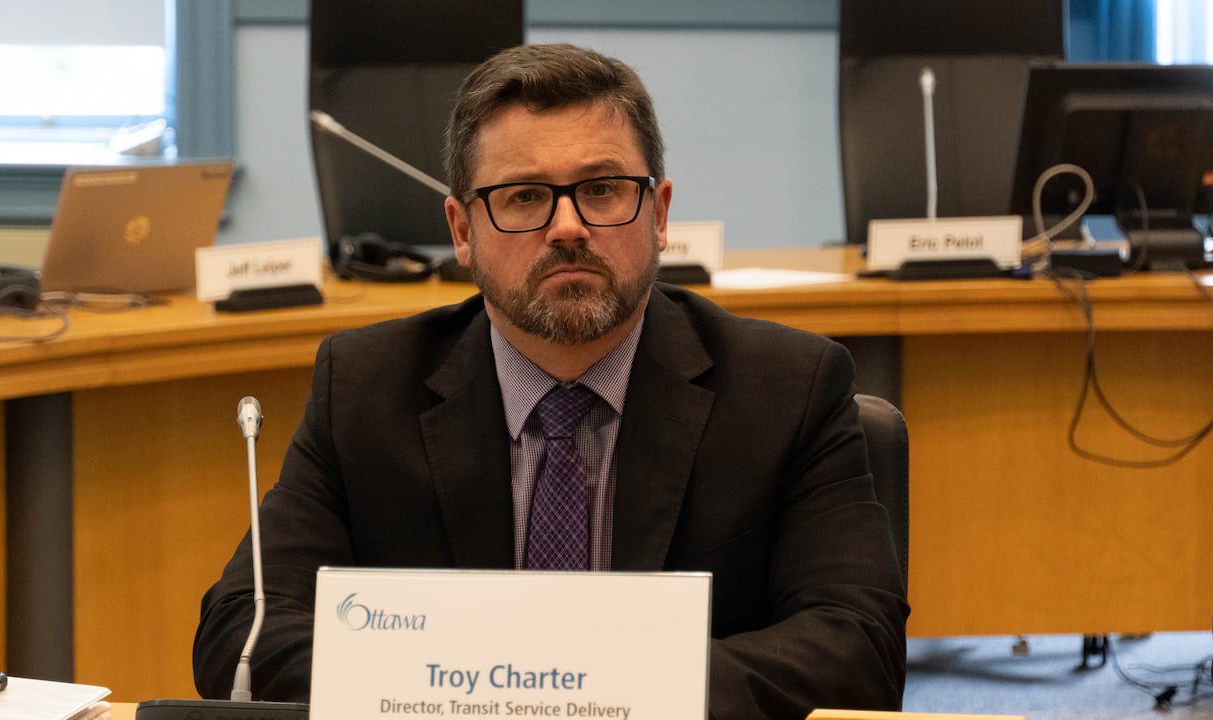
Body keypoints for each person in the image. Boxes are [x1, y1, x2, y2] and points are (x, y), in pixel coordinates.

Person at [194, 42, 909, 719]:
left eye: (601, 189)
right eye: (526, 197)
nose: (568, 227)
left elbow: (859, 644)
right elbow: (242, 631)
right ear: (463, 229)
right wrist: (483, 695)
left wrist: (581, 691)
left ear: (658, 214)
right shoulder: (365, 388)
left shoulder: (788, 387)